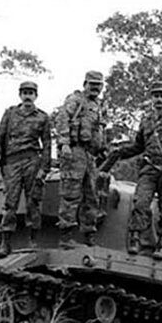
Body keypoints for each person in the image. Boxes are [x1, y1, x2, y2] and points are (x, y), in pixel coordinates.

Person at [114, 81, 162, 260]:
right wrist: (121, 152)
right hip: (149, 168)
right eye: (155, 95)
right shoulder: (146, 121)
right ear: (151, 98)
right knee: (140, 202)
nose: (158, 99)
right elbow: (139, 146)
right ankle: (135, 238)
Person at [0, 81, 51, 257]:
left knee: (33, 202)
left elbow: (47, 145)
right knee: (10, 203)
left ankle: (32, 240)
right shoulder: (10, 114)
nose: (27, 96)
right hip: (12, 162)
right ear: (20, 95)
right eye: (24, 92)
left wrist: (44, 170)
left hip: (32, 160)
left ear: (35, 96)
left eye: (31, 93)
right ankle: (5, 242)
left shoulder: (43, 117)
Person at [55, 70, 106, 248]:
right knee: (70, 195)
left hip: (90, 155)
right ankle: (66, 235)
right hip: (74, 152)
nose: (95, 88)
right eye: (92, 84)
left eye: (98, 85)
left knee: (92, 196)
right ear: (85, 84)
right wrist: (65, 143)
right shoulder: (76, 100)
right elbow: (61, 119)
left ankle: (89, 234)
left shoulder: (97, 106)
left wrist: (102, 148)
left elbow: (98, 131)